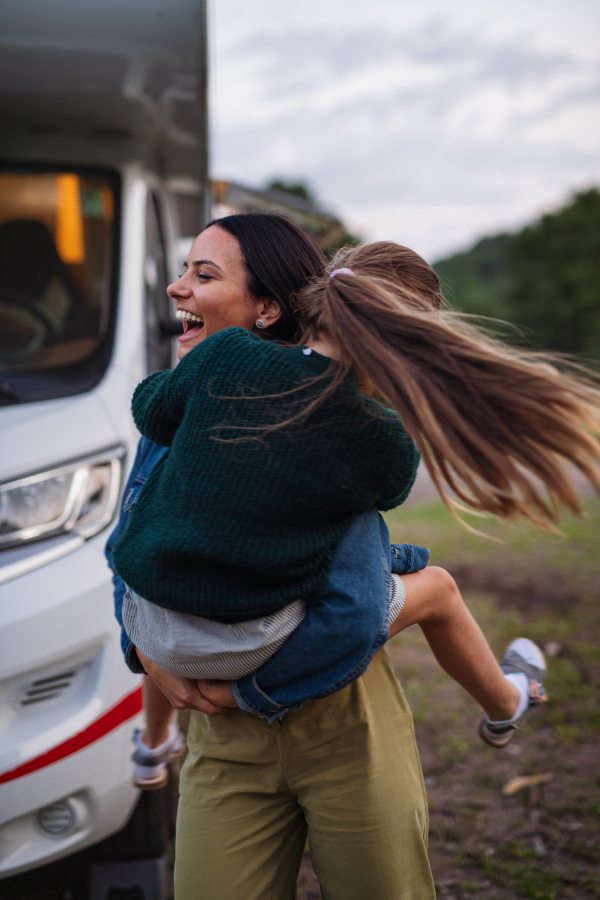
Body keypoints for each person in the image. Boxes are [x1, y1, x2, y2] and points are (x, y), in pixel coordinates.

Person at [109, 213, 600, 900]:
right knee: (435, 587)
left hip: (340, 726)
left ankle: (505, 698)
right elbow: (128, 538)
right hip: (225, 740)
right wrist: (147, 652)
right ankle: (506, 699)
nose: (176, 288)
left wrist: (229, 682)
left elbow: (351, 606)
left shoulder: (236, 387)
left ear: (271, 308)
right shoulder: (360, 436)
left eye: (204, 274)